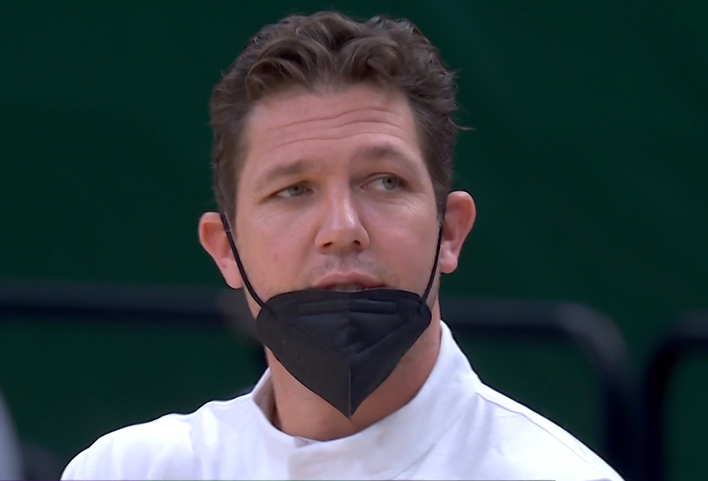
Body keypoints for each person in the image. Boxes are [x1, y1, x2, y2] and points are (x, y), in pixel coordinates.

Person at [61, 11, 624, 481]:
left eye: (385, 182)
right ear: (225, 249)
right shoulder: (127, 471)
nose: (342, 227)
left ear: (450, 232)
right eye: (293, 190)